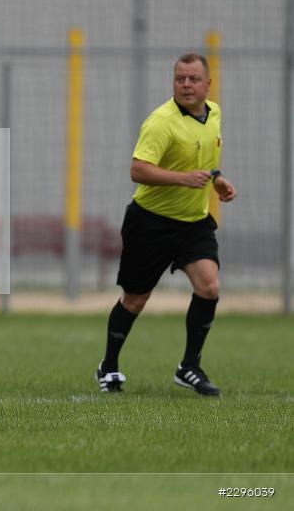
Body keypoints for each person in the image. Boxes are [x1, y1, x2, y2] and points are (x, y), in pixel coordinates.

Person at [96, 53, 236, 396]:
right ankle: (109, 366)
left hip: (193, 223)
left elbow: (206, 162)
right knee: (135, 300)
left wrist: (216, 181)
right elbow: (138, 170)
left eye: (192, 79)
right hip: (150, 224)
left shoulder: (214, 114)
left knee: (210, 286)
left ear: (208, 83)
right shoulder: (161, 121)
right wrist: (183, 179)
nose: (186, 85)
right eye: (179, 79)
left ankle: (189, 366)